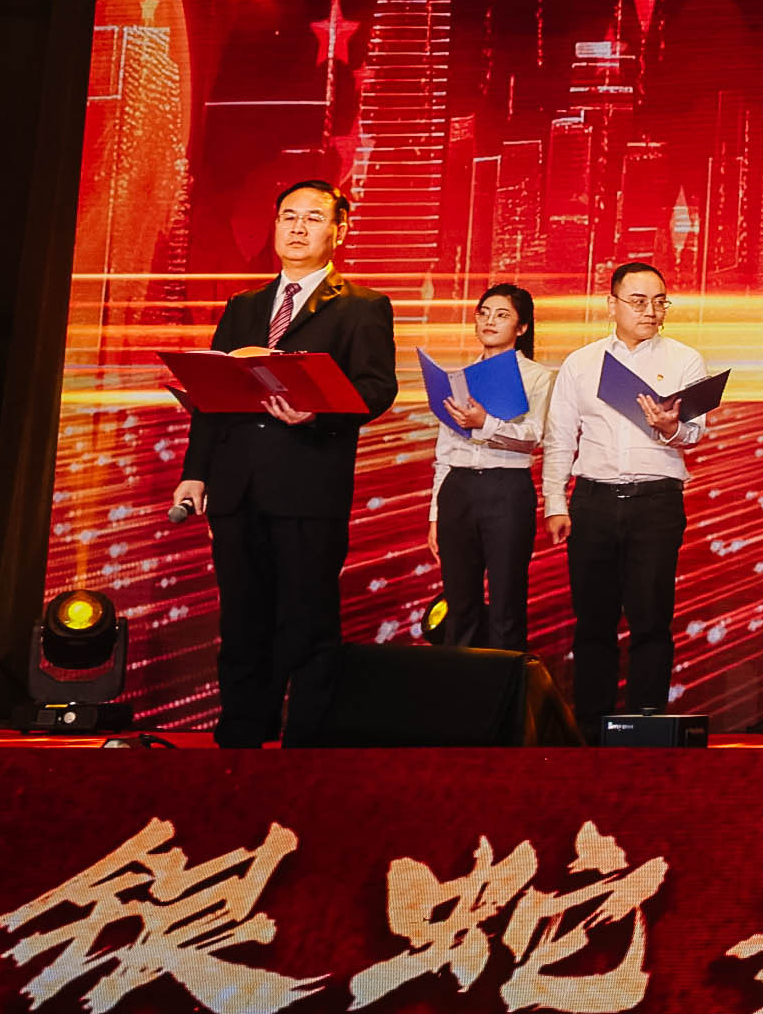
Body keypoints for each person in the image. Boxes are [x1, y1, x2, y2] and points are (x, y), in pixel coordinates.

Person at [170, 178, 399, 746]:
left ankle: (306, 744)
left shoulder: (363, 306)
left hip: (307, 486)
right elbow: (211, 395)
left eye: (313, 218)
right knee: (241, 620)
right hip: (236, 486)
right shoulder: (243, 306)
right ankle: (241, 737)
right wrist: (195, 472)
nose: (298, 228)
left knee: (307, 621)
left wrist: (317, 412)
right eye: (288, 217)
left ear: (339, 231)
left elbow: (377, 388)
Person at [540, 259, 716, 730]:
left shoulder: (684, 360)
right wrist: (555, 502)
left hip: (656, 501)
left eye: (659, 302)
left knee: (651, 619)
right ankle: (592, 723)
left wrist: (670, 427)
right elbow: (560, 438)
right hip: (593, 501)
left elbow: (696, 432)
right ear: (611, 304)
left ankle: (646, 723)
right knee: (593, 621)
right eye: (638, 302)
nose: (650, 311)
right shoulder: (582, 363)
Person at [423, 280, 552, 659]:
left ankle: (505, 689)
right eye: (483, 313)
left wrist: (486, 423)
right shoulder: (458, 377)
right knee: (459, 603)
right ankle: (458, 689)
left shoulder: (537, 377)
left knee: (506, 604)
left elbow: (534, 436)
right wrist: (435, 514)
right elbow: (444, 452)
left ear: (522, 327)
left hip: (506, 489)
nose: (489, 321)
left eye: (502, 315)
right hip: (458, 489)